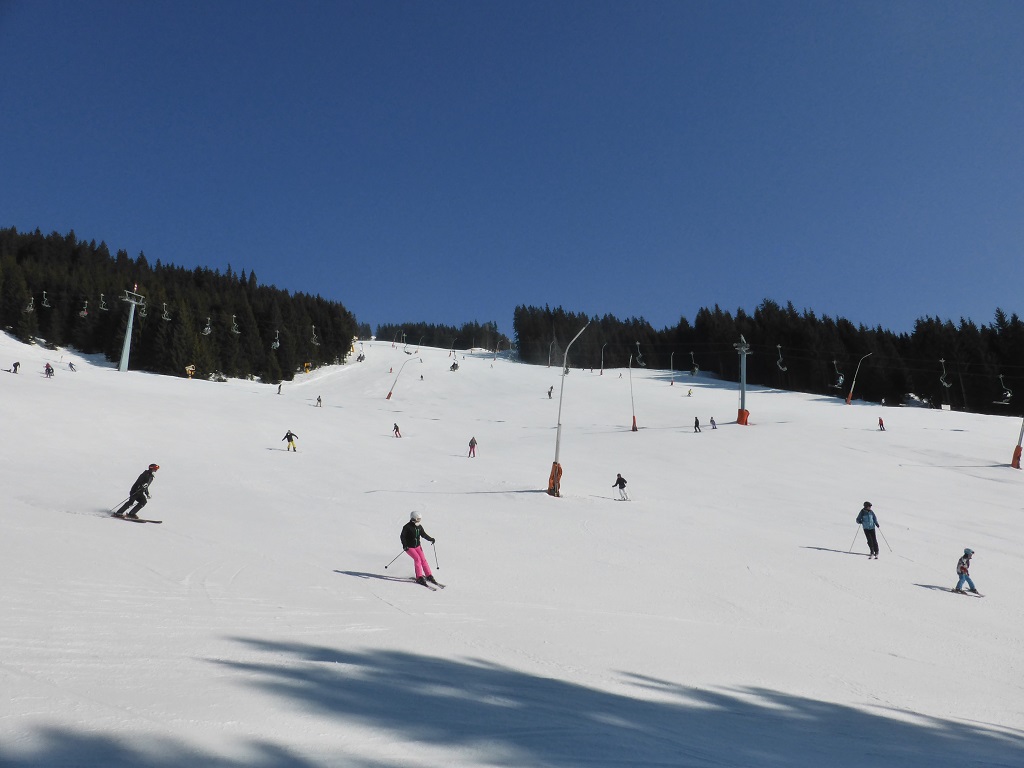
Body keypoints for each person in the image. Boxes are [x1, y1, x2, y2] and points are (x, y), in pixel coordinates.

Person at [401, 511, 438, 586]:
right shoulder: (407, 527)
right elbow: (402, 537)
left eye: (420, 519)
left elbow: (423, 534)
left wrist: (430, 539)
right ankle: (419, 577)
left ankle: (429, 575)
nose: (418, 521)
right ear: (413, 518)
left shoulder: (419, 527)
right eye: (417, 519)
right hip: (409, 547)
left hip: (417, 546)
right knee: (417, 559)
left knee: (423, 559)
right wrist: (405, 545)